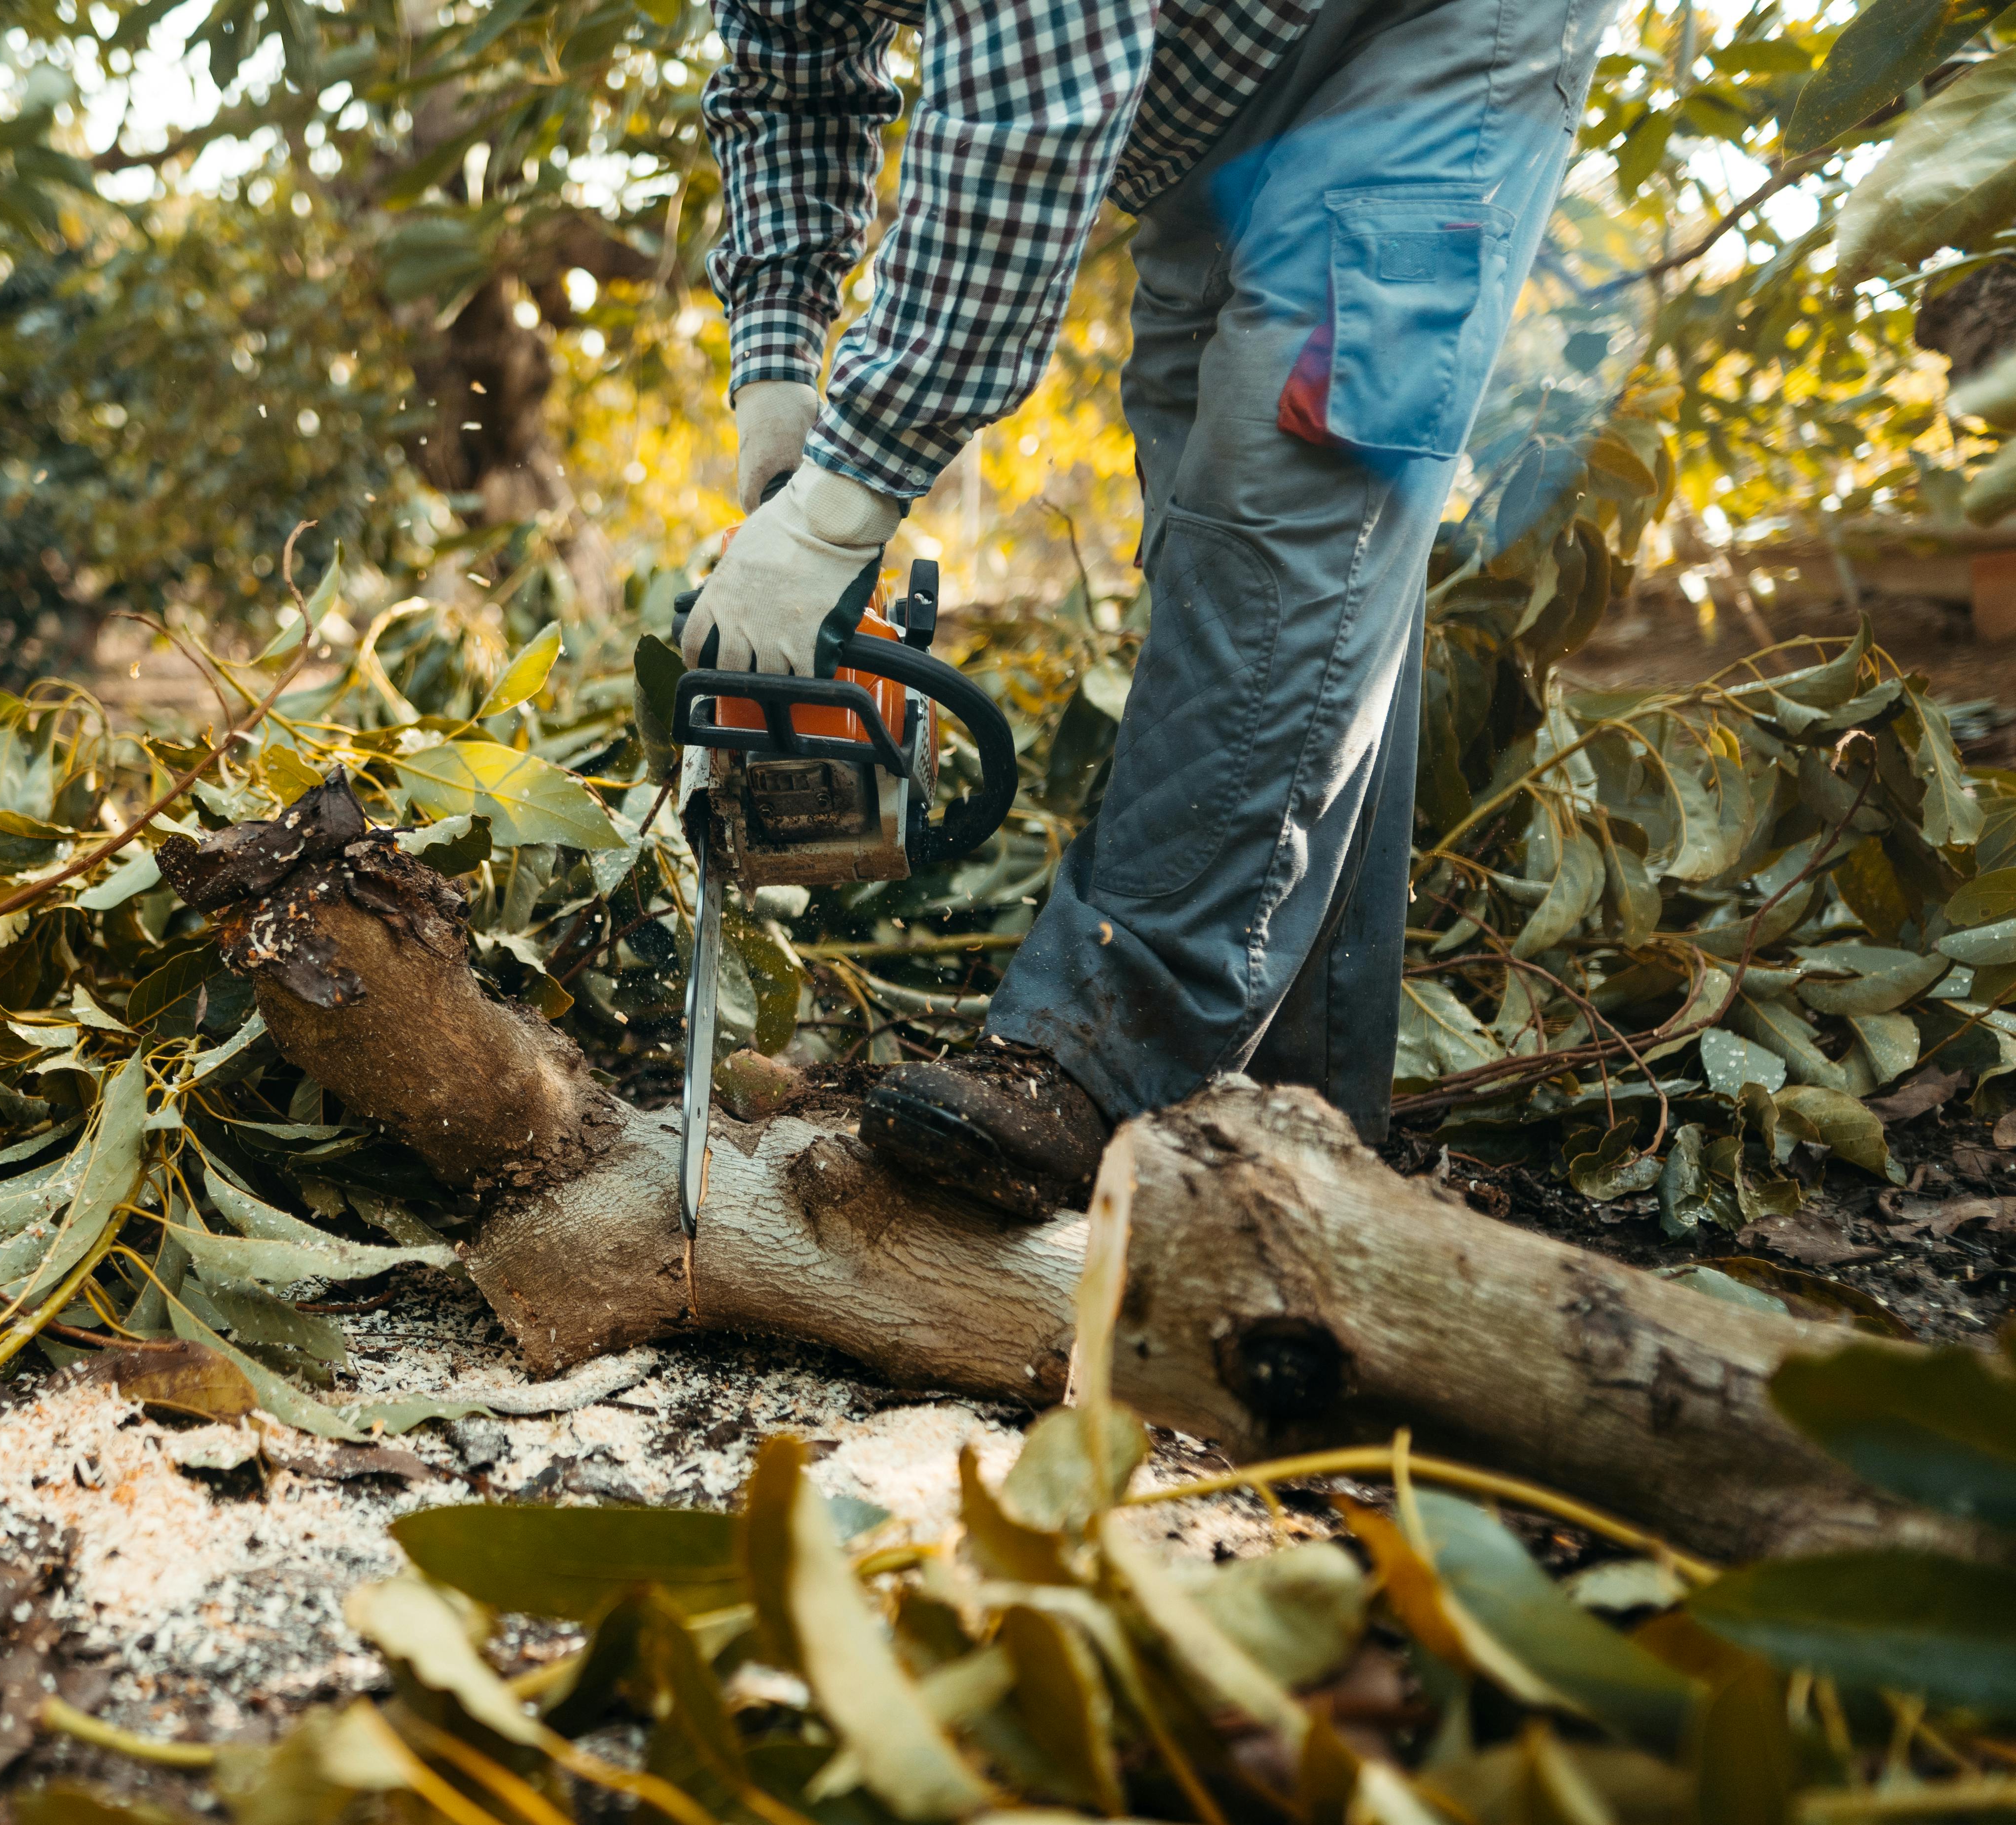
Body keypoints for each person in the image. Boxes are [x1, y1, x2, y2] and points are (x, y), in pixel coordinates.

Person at [685, 0, 1614, 1218]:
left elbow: (1026, 127)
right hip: (1212, 105)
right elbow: (785, 71)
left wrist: (834, 512)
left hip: (1427, 37)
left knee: (1279, 506)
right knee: (1244, 545)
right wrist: (779, 364)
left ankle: (1103, 1055)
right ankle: (1303, 1113)